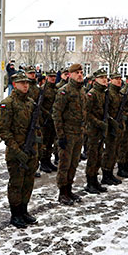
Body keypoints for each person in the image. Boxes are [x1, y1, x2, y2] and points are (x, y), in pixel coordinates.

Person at [0, 72, 39, 228]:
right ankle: (15, 214)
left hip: (31, 151)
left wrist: (37, 146)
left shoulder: (31, 103)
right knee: (16, 183)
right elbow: (4, 131)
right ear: (15, 84)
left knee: (28, 182)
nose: (26, 85)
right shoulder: (7, 104)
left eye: (27, 83)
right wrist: (17, 150)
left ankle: (24, 210)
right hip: (16, 152)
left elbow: (36, 128)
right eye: (22, 83)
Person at [52, 63, 87, 205]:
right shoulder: (64, 91)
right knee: (64, 165)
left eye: (81, 72)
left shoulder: (82, 91)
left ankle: (69, 189)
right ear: (70, 74)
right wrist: (61, 136)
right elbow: (56, 114)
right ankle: (62, 193)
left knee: (74, 163)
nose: (79, 75)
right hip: (67, 134)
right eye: (76, 72)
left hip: (78, 134)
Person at [84, 69, 110, 194]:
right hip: (93, 130)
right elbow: (86, 113)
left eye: (105, 77)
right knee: (92, 156)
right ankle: (90, 182)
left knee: (99, 155)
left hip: (100, 129)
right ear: (95, 80)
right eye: (101, 78)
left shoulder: (104, 93)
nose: (104, 79)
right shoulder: (92, 94)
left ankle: (95, 180)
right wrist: (99, 123)